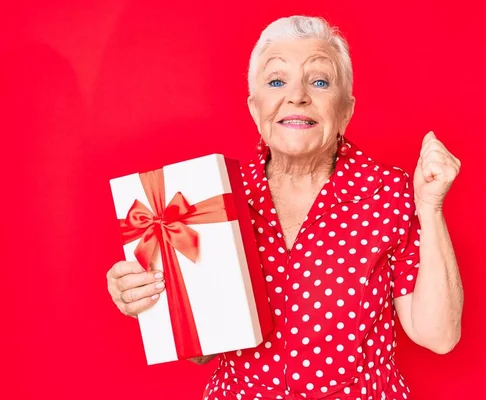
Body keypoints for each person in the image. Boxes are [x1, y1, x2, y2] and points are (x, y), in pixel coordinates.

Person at [106, 15, 464, 399]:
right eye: (277, 81)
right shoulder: (213, 197)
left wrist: (430, 207)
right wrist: (148, 297)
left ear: (346, 110)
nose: (297, 95)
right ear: (254, 107)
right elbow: (204, 351)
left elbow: (438, 336)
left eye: (320, 81)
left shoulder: (389, 191)